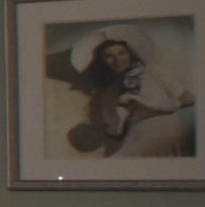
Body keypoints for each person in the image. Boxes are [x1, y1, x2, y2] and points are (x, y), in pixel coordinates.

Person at [64, 24, 195, 158]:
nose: (118, 60)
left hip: (166, 127)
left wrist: (163, 106)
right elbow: (115, 132)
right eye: (109, 56)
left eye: (122, 52)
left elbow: (189, 99)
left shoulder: (154, 75)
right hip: (138, 139)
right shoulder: (103, 96)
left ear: (130, 54)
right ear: (101, 61)